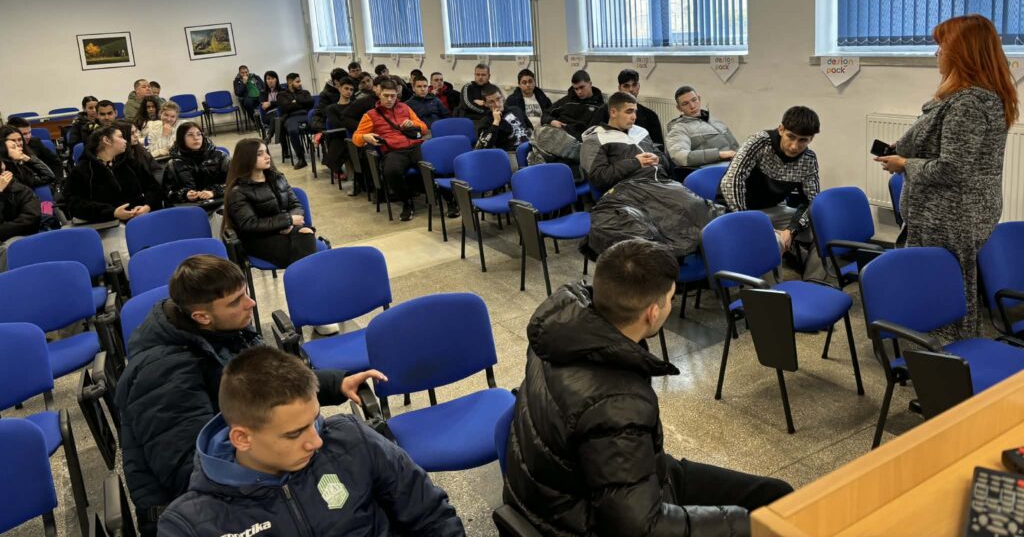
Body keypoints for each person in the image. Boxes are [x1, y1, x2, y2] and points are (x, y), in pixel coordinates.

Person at [504, 239, 791, 537]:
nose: (671, 303)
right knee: (767, 520)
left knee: (777, 495)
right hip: (581, 521)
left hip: (591, 485)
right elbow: (640, 527)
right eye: (671, 298)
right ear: (653, 313)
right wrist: (742, 525)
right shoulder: (617, 404)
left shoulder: (558, 330)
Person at [115, 256, 381, 535]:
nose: (251, 303)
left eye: (245, 293)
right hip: (204, 512)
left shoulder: (226, 331)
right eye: (236, 301)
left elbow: (270, 387)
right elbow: (191, 471)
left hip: (248, 475)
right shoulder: (163, 375)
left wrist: (336, 384)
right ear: (202, 317)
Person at [158, 345, 464, 537]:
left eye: (315, 420)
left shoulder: (352, 439)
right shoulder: (190, 525)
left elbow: (431, 515)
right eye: (295, 433)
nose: (316, 441)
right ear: (242, 438)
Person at [875, 14, 1020, 339]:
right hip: (959, 212)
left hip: (949, 216)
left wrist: (904, 164)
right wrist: (905, 149)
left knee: (940, 293)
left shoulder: (968, 103)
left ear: (961, 53)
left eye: (942, 46)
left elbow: (953, 168)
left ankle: (942, 355)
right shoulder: (977, 97)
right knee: (947, 287)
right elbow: (947, 148)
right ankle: (941, 351)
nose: (936, 53)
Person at [581, 92, 722, 259]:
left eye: (635, 111)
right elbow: (599, 177)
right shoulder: (596, 139)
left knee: (698, 208)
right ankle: (666, 262)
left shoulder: (640, 132)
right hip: (627, 191)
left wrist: (658, 158)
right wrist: (635, 162)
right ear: (613, 112)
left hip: (659, 185)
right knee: (640, 229)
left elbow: (665, 161)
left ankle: (706, 256)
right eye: (629, 112)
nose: (634, 117)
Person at [719, 106, 821, 256]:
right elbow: (732, 181)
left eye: (803, 140)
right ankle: (771, 272)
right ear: (781, 130)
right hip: (737, 211)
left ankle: (812, 272)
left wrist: (792, 230)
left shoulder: (809, 159)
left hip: (773, 210)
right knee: (773, 241)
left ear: (811, 139)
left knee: (822, 227)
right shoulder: (759, 142)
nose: (794, 146)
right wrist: (748, 221)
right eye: (791, 136)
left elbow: (812, 201)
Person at [223, 138, 317, 267]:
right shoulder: (238, 191)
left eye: (266, 152)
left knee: (306, 235)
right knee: (306, 240)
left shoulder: (277, 178)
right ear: (246, 158)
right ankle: (308, 274)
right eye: (260, 154)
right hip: (258, 239)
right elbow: (249, 224)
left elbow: (296, 205)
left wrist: (288, 224)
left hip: (286, 229)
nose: (267, 156)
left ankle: (303, 275)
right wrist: (287, 220)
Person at [353, 79, 428, 222]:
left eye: (393, 96)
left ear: (397, 95)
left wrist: (413, 124)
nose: (389, 99)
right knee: (391, 172)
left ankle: (447, 199)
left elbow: (423, 128)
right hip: (394, 151)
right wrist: (365, 137)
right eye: (386, 95)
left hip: (415, 146)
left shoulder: (405, 108)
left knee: (432, 165)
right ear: (379, 94)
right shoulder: (370, 115)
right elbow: (356, 138)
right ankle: (407, 202)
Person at [65, 126, 163, 223]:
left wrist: (147, 206)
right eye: (120, 137)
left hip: (141, 218)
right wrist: (113, 212)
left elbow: (153, 187)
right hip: (105, 225)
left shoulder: (130, 162)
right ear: (107, 140)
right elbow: (74, 204)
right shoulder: (83, 170)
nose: (125, 141)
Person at [666, 85, 739, 170]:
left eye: (694, 100)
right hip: (714, 170)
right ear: (679, 108)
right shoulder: (679, 128)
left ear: (699, 99)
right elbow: (680, 156)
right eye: (685, 104)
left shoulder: (714, 120)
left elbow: (734, 147)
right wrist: (719, 154)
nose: (692, 106)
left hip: (734, 164)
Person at [163, 123, 230, 209]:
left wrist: (214, 192)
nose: (196, 138)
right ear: (181, 139)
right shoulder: (173, 164)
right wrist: (185, 195)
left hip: (220, 204)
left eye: (199, 134)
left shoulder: (220, 157)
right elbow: (167, 193)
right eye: (190, 135)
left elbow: (235, 182)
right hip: (189, 208)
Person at [594, 69, 665, 148]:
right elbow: (593, 139)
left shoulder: (650, 115)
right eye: (626, 86)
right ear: (619, 88)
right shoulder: (604, 111)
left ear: (638, 86)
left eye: (634, 85)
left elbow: (658, 146)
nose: (631, 89)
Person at [0, 159, 41, 271]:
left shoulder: (22, 191)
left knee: (7, 249)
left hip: (19, 234)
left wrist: (30, 159)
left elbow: (30, 219)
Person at [542, 70, 605, 139]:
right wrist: (552, 121)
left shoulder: (599, 107)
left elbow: (594, 132)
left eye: (582, 87)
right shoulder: (567, 100)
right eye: (576, 89)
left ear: (590, 84)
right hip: (557, 135)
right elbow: (545, 114)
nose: (579, 92)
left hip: (579, 140)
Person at [475, 84, 531, 155]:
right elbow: (484, 146)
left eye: (498, 99)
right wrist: (496, 122)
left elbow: (530, 129)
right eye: (491, 102)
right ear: (485, 104)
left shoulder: (516, 110)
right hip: (511, 154)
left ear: (502, 97)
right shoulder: (486, 121)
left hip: (530, 149)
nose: (497, 104)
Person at [276, 72, 315, 170]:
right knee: (293, 130)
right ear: (290, 82)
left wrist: (295, 101)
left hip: (306, 115)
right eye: (297, 82)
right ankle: (301, 159)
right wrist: (301, 103)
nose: (300, 83)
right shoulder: (281, 94)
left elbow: (311, 102)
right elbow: (285, 108)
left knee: (319, 125)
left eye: (300, 81)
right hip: (291, 117)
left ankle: (325, 154)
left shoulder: (305, 92)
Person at [7, 116, 63, 182]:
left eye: (29, 132)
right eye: (24, 134)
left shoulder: (35, 142)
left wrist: (57, 182)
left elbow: (55, 162)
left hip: (40, 179)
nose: (28, 136)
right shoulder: (5, 150)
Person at [1, 124, 56, 188]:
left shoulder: (22, 162)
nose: (18, 144)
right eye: (12, 141)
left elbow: (49, 176)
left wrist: (29, 159)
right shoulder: (3, 168)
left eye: (20, 140)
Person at [323, 76, 356, 176]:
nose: (349, 91)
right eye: (346, 88)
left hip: (354, 135)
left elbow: (358, 124)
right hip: (339, 136)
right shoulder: (331, 108)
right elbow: (336, 124)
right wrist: (351, 123)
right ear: (339, 88)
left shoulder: (356, 105)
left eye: (351, 89)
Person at [310, 67, 346, 134]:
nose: (346, 83)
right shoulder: (325, 94)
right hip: (323, 122)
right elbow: (326, 113)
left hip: (339, 120)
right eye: (344, 82)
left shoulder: (345, 90)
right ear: (336, 82)